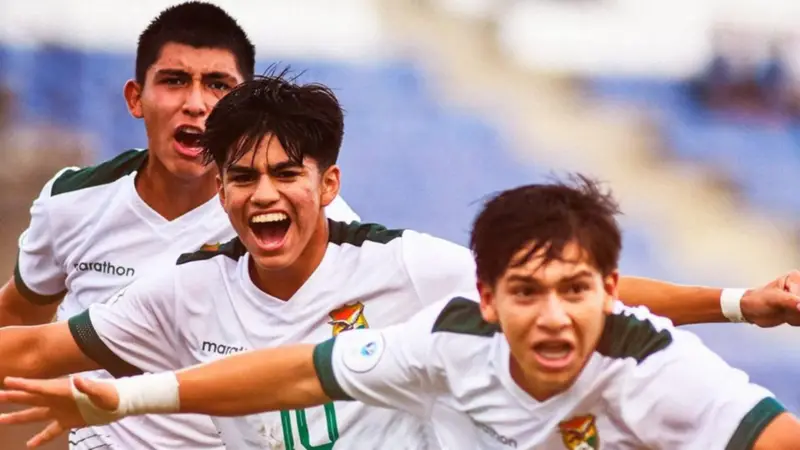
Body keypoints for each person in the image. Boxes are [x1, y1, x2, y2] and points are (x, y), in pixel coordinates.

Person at [0, 73, 799, 450]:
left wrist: (738, 303)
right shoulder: (187, 288)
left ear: (329, 185)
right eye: (243, 177)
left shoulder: (411, 271)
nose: (264, 193)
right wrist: (124, 400)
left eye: (286, 174)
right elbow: (299, 373)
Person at [0, 3, 359, 450]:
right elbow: (22, 321)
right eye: (174, 80)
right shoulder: (72, 202)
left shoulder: (302, 219)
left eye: (218, 84)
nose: (196, 103)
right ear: (136, 98)